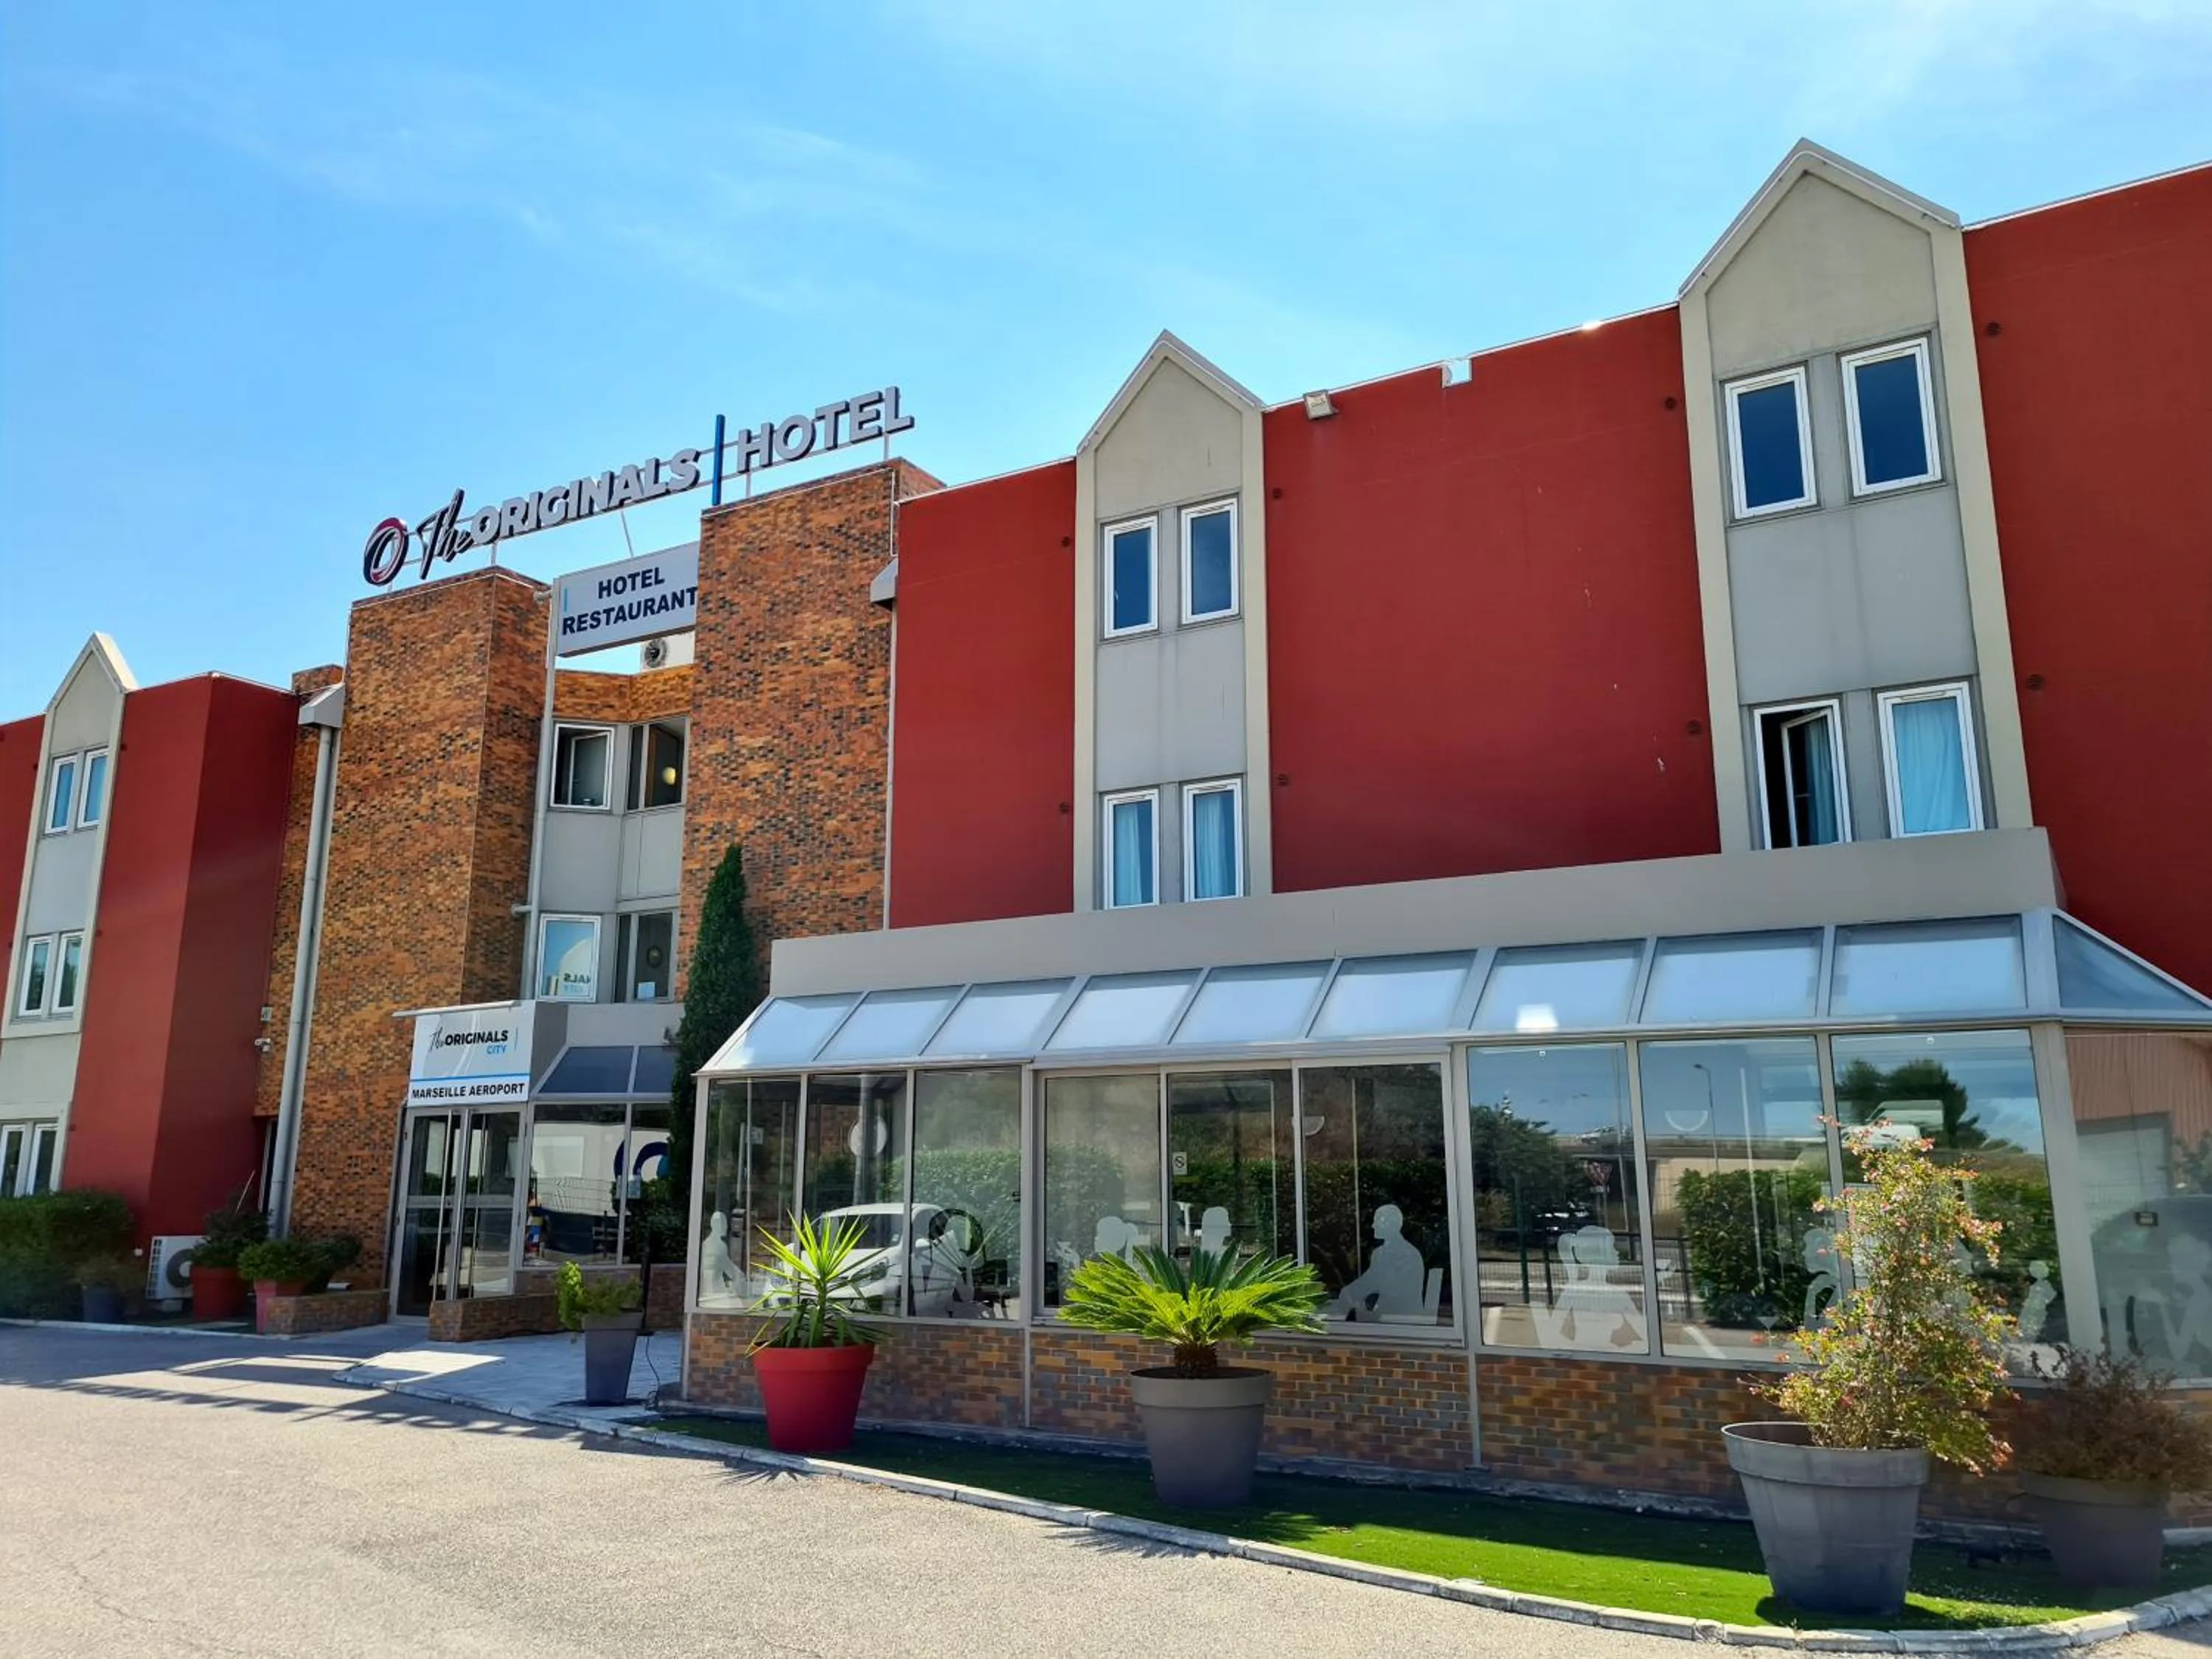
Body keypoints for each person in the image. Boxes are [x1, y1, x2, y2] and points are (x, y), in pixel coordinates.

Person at [1324, 1205, 1425, 1321]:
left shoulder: (1408, 1255)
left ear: (1390, 1224)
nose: (1373, 1226)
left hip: (1404, 1321)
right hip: (1384, 1317)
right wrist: (1347, 1293)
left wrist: (1372, 1310)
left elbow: (1396, 1292)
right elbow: (1369, 1281)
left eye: (1377, 1221)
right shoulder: (1379, 1254)